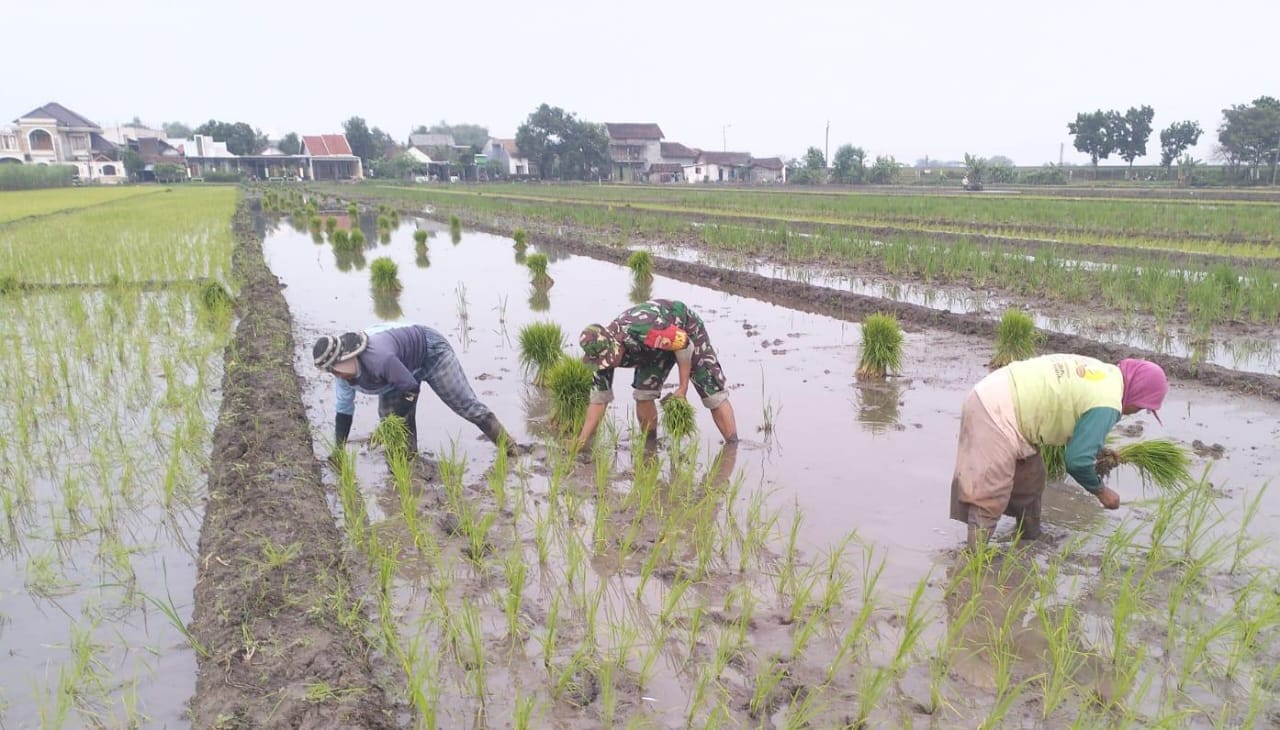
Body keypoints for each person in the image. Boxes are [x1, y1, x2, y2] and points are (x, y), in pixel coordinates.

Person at [949, 354, 1168, 549]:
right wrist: (1101, 492)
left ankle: (1029, 540)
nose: (1136, 412)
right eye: (1140, 407)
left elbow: (1070, 408)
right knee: (991, 491)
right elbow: (1077, 461)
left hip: (1003, 392)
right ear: (1136, 391)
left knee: (1030, 481)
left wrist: (1097, 449)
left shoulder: (1107, 375)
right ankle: (974, 563)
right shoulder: (1109, 402)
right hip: (996, 408)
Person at [313, 322, 523, 456]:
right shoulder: (342, 377)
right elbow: (344, 411)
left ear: (346, 357)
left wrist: (398, 417)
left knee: (466, 406)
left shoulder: (380, 359)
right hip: (399, 371)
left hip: (430, 352)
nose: (335, 374)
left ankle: (511, 450)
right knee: (390, 422)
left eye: (335, 368)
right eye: (330, 371)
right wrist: (338, 450)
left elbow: (410, 388)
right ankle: (409, 459)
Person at [575, 299, 737, 449]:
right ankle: (649, 446)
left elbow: (684, 345)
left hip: (685, 331)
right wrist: (581, 441)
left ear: (615, 344)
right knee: (643, 394)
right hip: (650, 350)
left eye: (609, 358)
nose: (607, 363)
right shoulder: (599, 359)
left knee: (711, 392)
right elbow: (598, 401)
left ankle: (733, 446)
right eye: (603, 360)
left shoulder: (644, 330)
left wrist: (682, 388)